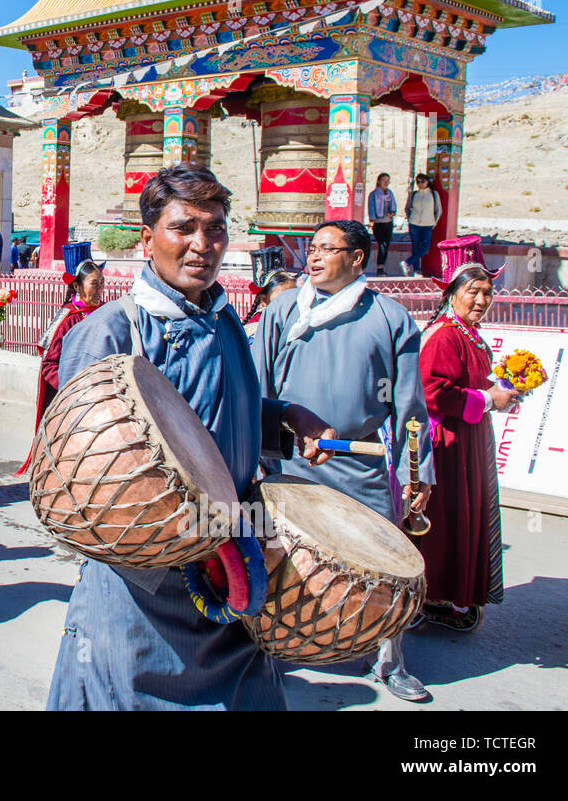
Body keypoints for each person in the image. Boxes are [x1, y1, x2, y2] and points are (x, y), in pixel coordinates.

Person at [48, 165, 335, 711]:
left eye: (217, 228)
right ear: (146, 236)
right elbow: (84, 472)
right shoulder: (110, 332)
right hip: (147, 582)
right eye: (184, 228)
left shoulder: (223, 318)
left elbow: (217, 415)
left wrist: (285, 417)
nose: (203, 244)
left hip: (233, 565)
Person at [252, 219, 434, 702]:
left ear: (356, 258)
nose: (312, 257)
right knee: (281, 563)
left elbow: (411, 410)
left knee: (384, 568)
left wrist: (418, 473)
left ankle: (389, 662)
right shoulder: (283, 309)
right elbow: (257, 387)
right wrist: (256, 453)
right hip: (290, 463)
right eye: (311, 248)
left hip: (361, 465)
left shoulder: (391, 319)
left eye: (326, 249)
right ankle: (269, 650)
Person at [415, 241, 515, 631]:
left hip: (468, 440)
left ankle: (454, 592)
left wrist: (500, 390)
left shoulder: (469, 334)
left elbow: (472, 383)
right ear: (451, 293)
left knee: (465, 515)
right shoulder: (443, 335)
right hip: (448, 444)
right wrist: (487, 400)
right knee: (446, 518)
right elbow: (431, 390)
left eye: (487, 292)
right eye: (471, 291)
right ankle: (433, 594)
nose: (480, 299)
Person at [32, 244, 104, 431]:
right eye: (94, 283)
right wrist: (73, 390)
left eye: (102, 282)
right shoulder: (67, 319)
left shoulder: (106, 313)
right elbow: (49, 366)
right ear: (76, 285)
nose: (100, 289)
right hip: (74, 401)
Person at [242, 247, 298, 344]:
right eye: (281, 298)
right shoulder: (255, 330)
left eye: (293, 296)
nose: (289, 302)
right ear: (264, 299)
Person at [402, 173, 440, 277]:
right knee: (415, 247)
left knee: (425, 248)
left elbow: (438, 210)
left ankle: (407, 263)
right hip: (414, 224)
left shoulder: (433, 194)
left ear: (427, 182)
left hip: (427, 225)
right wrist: (410, 219)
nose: (420, 184)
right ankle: (417, 270)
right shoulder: (414, 194)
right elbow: (407, 207)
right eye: (418, 182)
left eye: (422, 181)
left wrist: (434, 222)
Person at [367, 172, 397, 276]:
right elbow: (371, 208)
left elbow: (394, 205)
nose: (386, 182)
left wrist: (393, 212)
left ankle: (381, 267)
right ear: (379, 181)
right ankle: (379, 268)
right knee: (382, 244)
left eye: (387, 180)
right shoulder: (374, 194)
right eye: (384, 180)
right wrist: (372, 219)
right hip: (378, 223)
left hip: (388, 222)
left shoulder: (390, 194)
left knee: (386, 245)